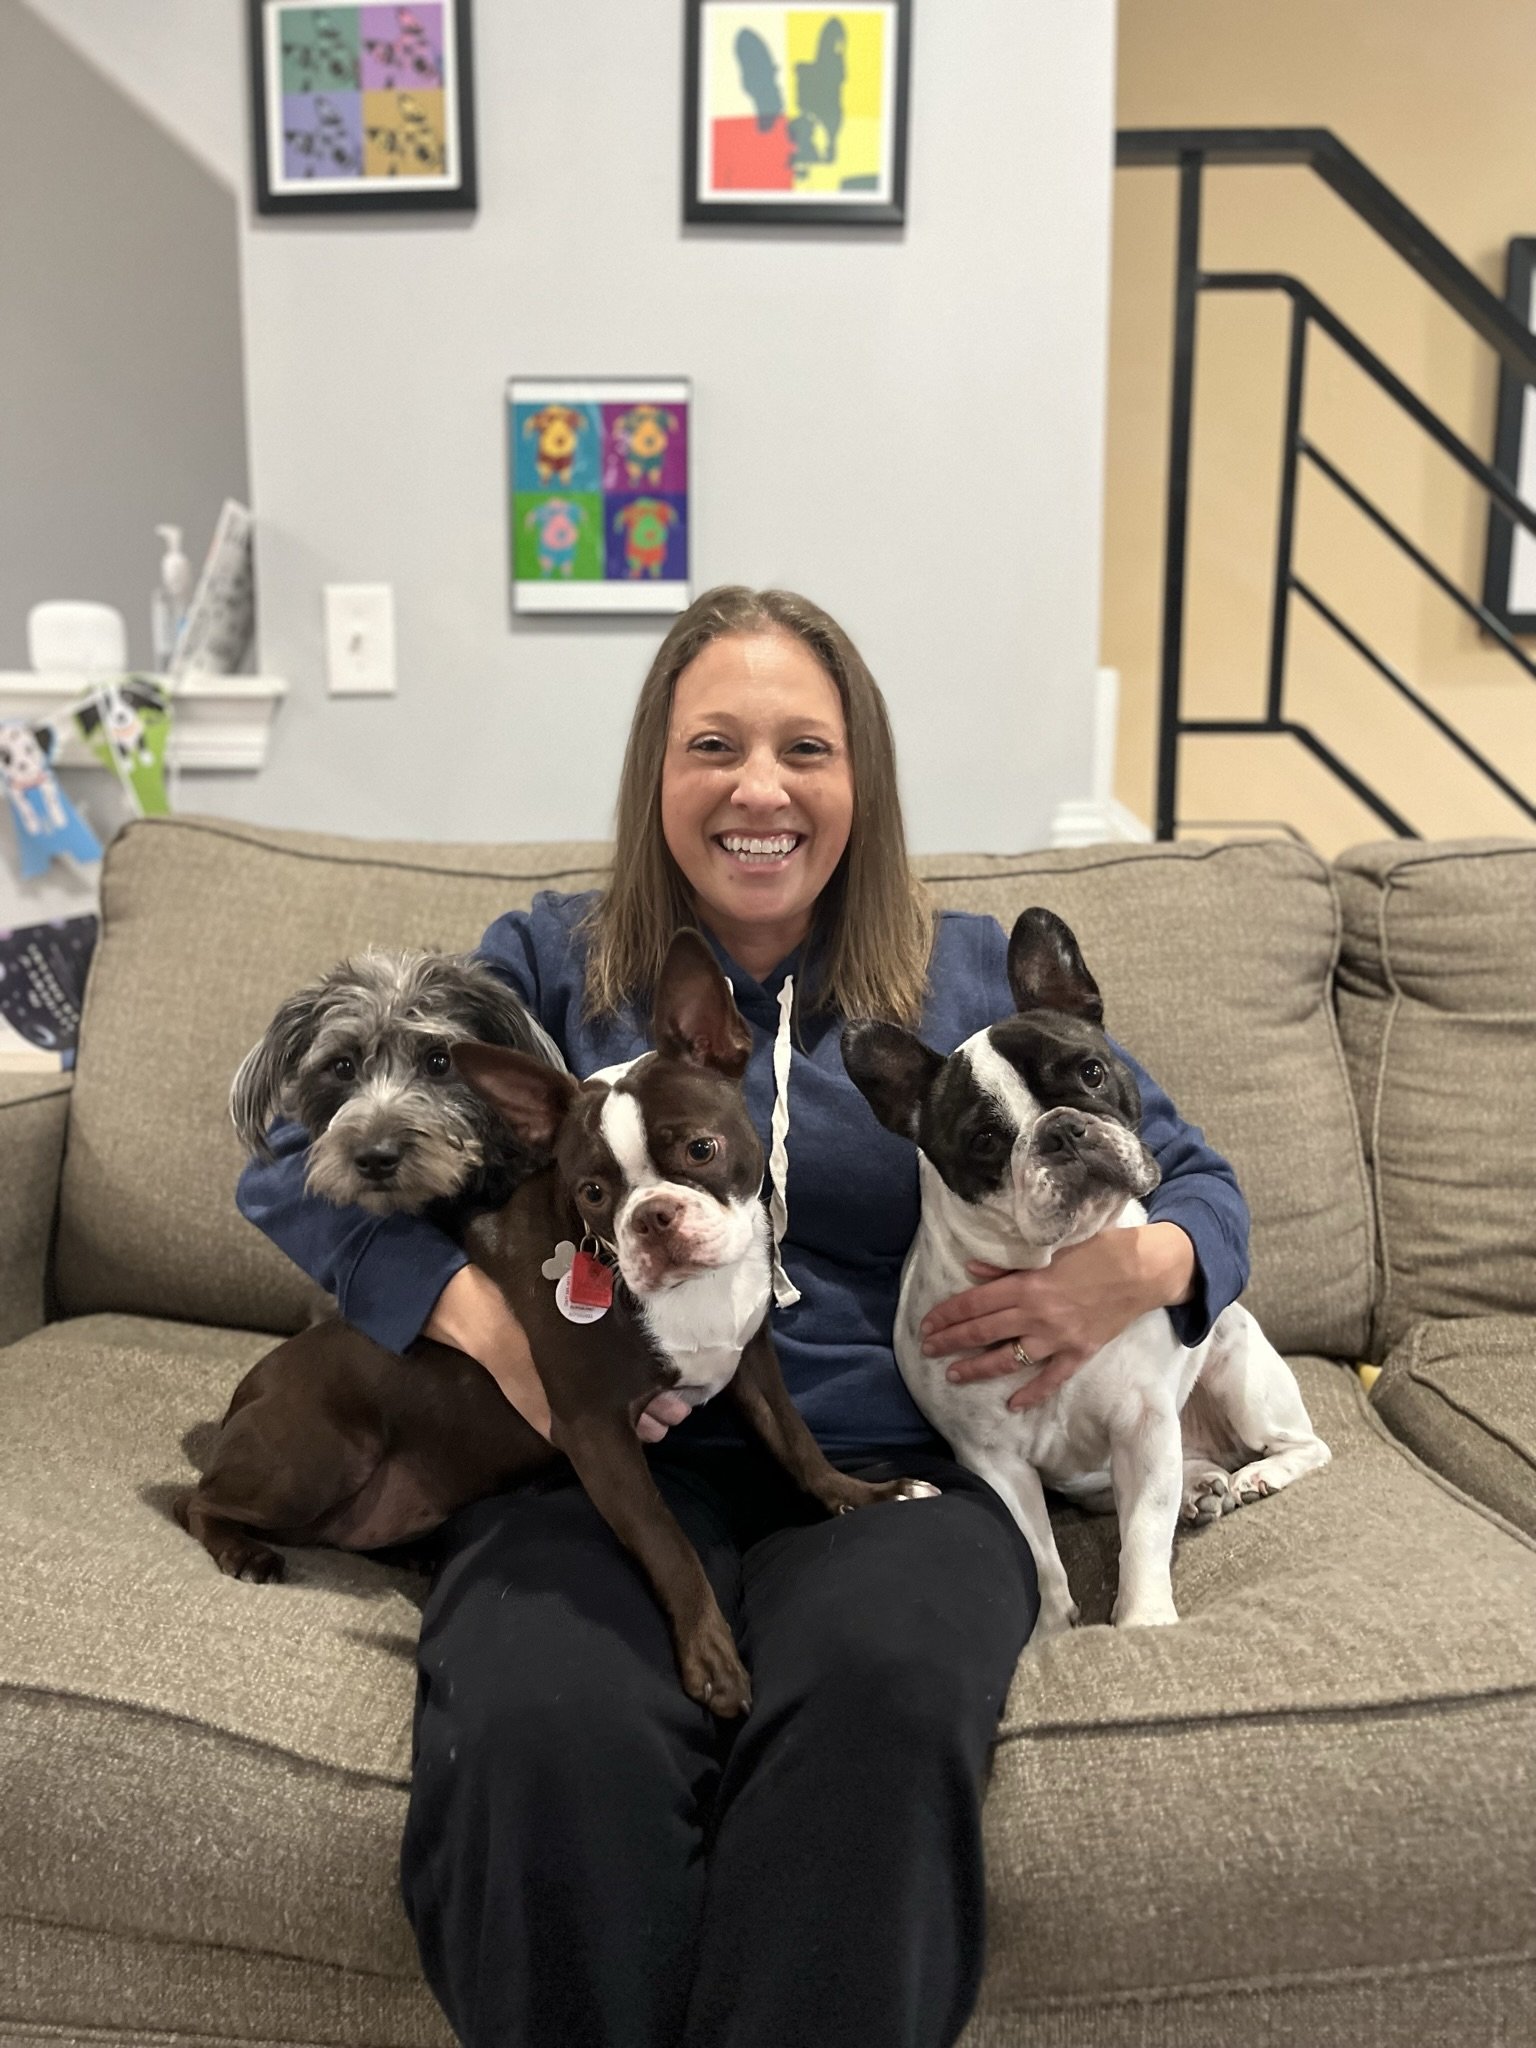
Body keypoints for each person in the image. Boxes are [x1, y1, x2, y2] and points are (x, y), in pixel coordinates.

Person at [238, 586, 1249, 2048]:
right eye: (714, 745)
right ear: (658, 771)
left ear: (863, 780)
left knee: (886, 1713)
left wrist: (1135, 1268)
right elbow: (293, 1164)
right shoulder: (537, 967)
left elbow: (1204, 1182)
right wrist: (486, 1322)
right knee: (539, 1730)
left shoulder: (962, 970)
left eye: (807, 751)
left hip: (895, 1466)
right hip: (590, 1470)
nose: (760, 789)